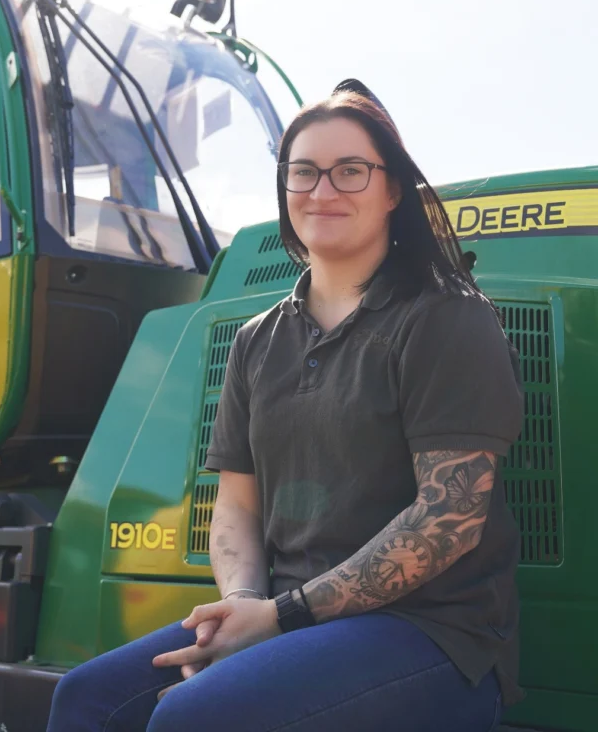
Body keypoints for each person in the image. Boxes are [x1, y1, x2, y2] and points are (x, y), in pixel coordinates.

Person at [47, 80, 524, 732]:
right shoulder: (255, 342)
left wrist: (279, 617)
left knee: (194, 718)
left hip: (430, 633)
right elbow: (237, 507)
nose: (323, 192)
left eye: (350, 171)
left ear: (392, 192)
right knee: (85, 699)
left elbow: (450, 517)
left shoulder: (448, 318)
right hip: (285, 617)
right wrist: (243, 604)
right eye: (304, 172)